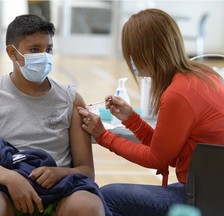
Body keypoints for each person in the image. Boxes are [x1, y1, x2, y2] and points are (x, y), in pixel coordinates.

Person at [77, 8, 224, 216]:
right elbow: (169, 152)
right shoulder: (203, 76)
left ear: (146, 52)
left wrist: (103, 136)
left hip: (202, 196)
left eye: (132, 55)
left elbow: (157, 159)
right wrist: (132, 120)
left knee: (108, 196)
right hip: (211, 190)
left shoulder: (178, 93)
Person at [0, 14, 107, 216]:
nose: (44, 56)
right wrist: (12, 178)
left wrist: (60, 172)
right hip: (4, 189)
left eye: (49, 49)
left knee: (89, 206)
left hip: (60, 191)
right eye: (35, 50)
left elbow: (87, 170)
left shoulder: (70, 98)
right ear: (12, 53)